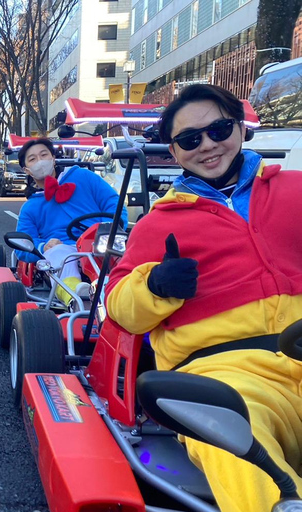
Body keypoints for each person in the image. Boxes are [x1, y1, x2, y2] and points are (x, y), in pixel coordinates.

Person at [105, 84, 302, 512]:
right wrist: (155, 286)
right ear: (175, 152)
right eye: (191, 140)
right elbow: (118, 304)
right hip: (226, 374)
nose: (208, 145)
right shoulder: (158, 225)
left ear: (241, 128)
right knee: (232, 432)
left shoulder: (295, 190)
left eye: (218, 129)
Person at [14, 138, 126, 306]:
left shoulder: (83, 177)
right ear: (27, 170)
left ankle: (125, 296)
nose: (40, 161)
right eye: (33, 159)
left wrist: (110, 229)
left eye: (43, 155)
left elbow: (113, 202)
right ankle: (75, 296)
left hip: (100, 242)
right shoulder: (30, 207)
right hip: (65, 250)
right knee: (59, 253)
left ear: (53, 158)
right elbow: (22, 244)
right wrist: (43, 246)